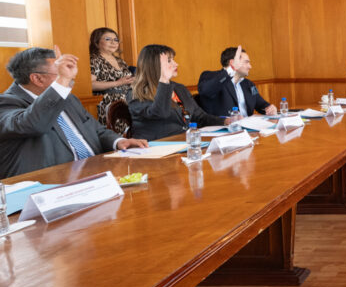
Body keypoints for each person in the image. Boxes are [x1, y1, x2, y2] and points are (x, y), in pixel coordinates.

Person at [0, 46, 147, 178]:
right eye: (61, 73)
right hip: (49, 183)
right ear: (37, 78)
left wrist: (119, 141)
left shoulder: (68, 98)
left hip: (96, 172)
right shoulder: (6, 103)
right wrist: (62, 81)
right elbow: (34, 124)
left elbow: (96, 130)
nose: (71, 78)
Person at [129, 44, 225, 141]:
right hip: (156, 146)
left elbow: (199, 117)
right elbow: (160, 113)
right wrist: (164, 80)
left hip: (183, 142)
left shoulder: (179, 88)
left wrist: (226, 121)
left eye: (173, 59)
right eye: (169, 61)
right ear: (154, 65)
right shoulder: (136, 93)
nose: (176, 64)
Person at [197, 46, 276, 118]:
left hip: (248, 127)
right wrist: (231, 69)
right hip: (223, 127)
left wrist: (269, 108)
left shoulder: (249, 84)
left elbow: (260, 104)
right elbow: (205, 90)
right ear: (232, 63)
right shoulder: (210, 76)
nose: (250, 66)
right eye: (246, 62)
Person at [88, 27, 134, 132]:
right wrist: (117, 83)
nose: (113, 42)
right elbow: (90, 84)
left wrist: (133, 80)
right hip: (106, 105)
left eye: (116, 39)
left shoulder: (120, 60)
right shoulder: (94, 59)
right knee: (112, 135)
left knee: (126, 135)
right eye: (108, 39)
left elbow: (125, 80)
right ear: (96, 42)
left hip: (125, 103)